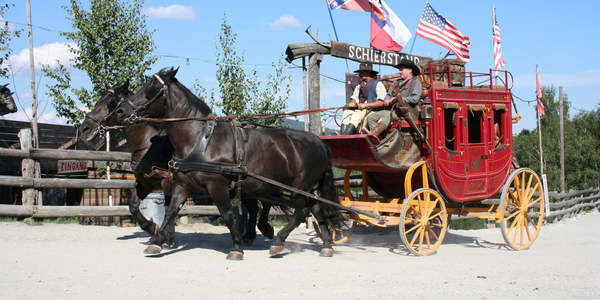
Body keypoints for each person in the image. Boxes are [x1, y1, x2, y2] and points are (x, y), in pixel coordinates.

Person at [366, 59, 423, 137]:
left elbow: (414, 99)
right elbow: (388, 95)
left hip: (407, 112)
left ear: (410, 70)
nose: (400, 71)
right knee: (371, 118)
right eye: (399, 70)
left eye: (402, 69)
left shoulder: (416, 82)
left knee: (387, 116)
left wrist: (397, 99)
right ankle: (379, 138)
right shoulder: (396, 83)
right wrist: (386, 100)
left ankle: (373, 136)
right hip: (393, 111)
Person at [340, 62, 387, 135]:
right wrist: (352, 103)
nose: (360, 74)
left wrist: (365, 105)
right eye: (360, 72)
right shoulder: (359, 86)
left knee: (357, 114)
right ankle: (342, 134)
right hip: (360, 109)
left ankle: (347, 136)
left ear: (368, 73)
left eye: (362, 72)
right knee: (346, 113)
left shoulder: (378, 84)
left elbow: (381, 102)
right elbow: (354, 98)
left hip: (373, 111)